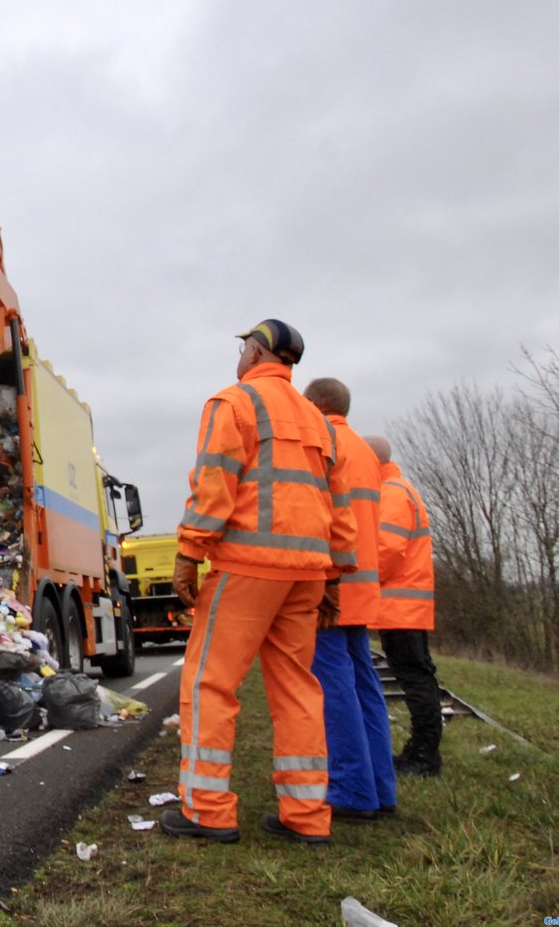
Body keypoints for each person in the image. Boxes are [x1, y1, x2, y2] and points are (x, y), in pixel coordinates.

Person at [160, 319, 357, 846]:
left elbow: (214, 482)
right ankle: (307, 815)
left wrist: (189, 551)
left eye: (243, 345)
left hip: (248, 566)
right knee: (297, 689)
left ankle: (207, 809)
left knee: (209, 683)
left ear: (254, 351)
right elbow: (337, 505)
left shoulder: (234, 403)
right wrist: (335, 575)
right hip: (307, 574)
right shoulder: (319, 422)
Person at [303, 378, 396, 821]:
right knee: (364, 686)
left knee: (333, 687)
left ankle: (350, 791)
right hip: (361, 586)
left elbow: (321, 517)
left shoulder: (322, 442)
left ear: (318, 405)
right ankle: (380, 787)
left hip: (331, 587)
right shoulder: (362, 448)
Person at [366, 435, 443, 777]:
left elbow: (387, 551)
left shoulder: (392, 493)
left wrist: (359, 583)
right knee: (418, 677)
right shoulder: (397, 488)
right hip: (404, 606)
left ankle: (424, 757)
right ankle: (420, 751)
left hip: (401, 607)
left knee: (415, 679)